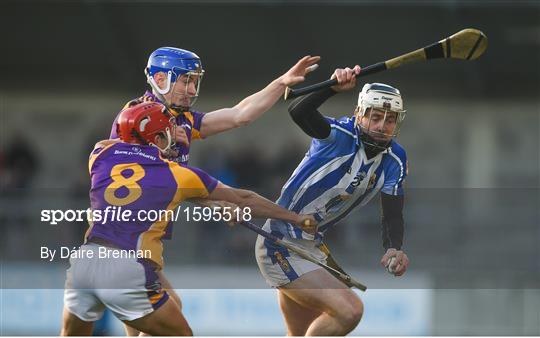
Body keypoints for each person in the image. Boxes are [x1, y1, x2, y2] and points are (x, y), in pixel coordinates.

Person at [109, 47, 319, 335]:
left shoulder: (179, 119)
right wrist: (214, 200)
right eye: (184, 80)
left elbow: (239, 116)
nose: (191, 89)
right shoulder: (137, 120)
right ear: (159, 78)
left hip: (142, 242)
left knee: (152, 321)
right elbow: (145, 180)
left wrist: (281, 82)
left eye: (194, 81)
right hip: (126, 240)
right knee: (167, 317)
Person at [61, 102, 316, 336]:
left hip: (85, 263)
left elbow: (124, 145)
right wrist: (293, 217)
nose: (176, 136)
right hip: (126, 268)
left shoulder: (100, 155)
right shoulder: (178, 174)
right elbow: (244, 198)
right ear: (157, 138)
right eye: (169, 132)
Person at [255, 66, 410, 336]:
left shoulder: (395, 158)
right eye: (375, 117)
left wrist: (393, 247)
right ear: (359, 115)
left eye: (390, 120)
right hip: (279, 241)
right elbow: (298, 112)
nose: (382, 126)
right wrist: (331, 87)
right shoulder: (338, 135)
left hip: (311, 247)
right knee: (350, 310)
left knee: (298, 333)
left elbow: (393, 212)